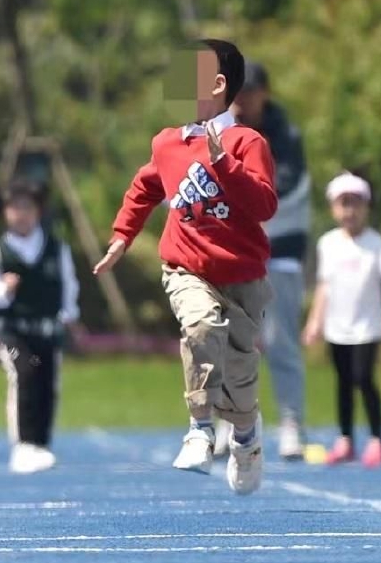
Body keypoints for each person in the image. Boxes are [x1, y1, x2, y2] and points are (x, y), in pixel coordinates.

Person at [94, 38, 279, 495]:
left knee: (239, 375)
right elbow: (143, 188)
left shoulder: (247, 142)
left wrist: (224, 165)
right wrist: (122, 236)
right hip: (186, 268)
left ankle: (246, 438)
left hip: (242, 277)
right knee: (199, 326)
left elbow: (264, 205)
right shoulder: (167, 143)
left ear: (217, 84)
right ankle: (199, 428)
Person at [234, 59, 313, 461]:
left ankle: (291, 424)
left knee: (280, 342)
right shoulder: (221, 130)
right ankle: (232, 424)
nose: (241, 101)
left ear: (264, 93)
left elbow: (284, 188)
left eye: (248, 92)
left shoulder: (286, 136)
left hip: (279, 250)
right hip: (236, 253)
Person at [0, 177, 80, 474]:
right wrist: (4, 290)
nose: (21, 214)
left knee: (48, 382)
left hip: (48, 330)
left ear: (38, 210)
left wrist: (70, 317)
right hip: (14, 332)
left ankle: (41, 443)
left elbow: (69, 285)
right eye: (14, 207)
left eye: (27, 207)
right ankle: (23, 445)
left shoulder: (57, 248)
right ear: (4, 212)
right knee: (24, 375)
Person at [300, 172, 381, 466]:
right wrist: (314, 322)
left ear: (366, 207)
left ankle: (377, 439)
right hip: (337, 327)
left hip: (368, 327)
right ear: (333, 208)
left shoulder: (376, 244)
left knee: (363, 379)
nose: (350, 211)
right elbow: (324, 287)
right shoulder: (328, 244)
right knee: (343, 382)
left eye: (355, 204)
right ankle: (345, 439)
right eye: (343, 204)